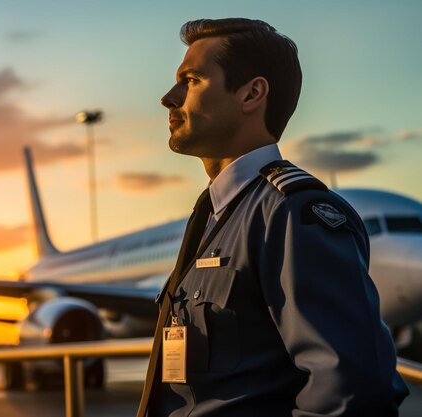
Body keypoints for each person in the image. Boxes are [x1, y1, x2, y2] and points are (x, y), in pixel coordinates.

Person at [137, 18, 408, 417]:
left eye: (191, 80)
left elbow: (351, 393)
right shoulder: (213, 214)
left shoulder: (292, 213)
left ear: (252, 94)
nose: (168, 97)